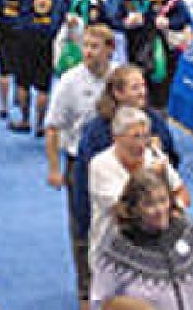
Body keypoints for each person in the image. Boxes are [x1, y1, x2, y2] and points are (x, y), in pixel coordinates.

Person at [74, 65, 181, 255]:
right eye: (135, 87)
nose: (142, 92)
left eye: (143, 86)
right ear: (117, 93)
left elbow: (172, 162)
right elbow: (86, 183)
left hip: (151, 225)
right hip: (110, 225)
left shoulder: (155, 122)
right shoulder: (97, 132)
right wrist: (84, 226)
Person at [44, 23, 116, 305]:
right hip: (80, 165)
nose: (87, 52)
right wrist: (54, 168)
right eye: (85, 46)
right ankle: (86, 289)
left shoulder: (119, 78)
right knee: (81, 228)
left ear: (109, 49)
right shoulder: (69, 81)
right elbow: (53, 127)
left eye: (94, 47)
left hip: (115, 165)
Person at [89, 169, 193, 310]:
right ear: (133, 209)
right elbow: (100, 303)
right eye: (149, 204)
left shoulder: (189, 234)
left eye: (163, 200)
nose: (160, 210)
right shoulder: (117, 251)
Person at [87, 108, 188, 262]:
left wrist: (172, 209)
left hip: (154, 251)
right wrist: (152, 176)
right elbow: (126, 211)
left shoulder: (154, 155)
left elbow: (182, 194)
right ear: (116, 138)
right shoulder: (101, 165)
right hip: (112, 254)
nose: (141, 143)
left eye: (145, 136)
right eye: (135, 136)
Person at [118, 0, 189, 111]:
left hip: (162, 53)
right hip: (135, 51)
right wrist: (126, 23)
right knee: (137, 91)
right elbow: (115, 19)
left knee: (159, 97)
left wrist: (168, 22)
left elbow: (184, 18)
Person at [12, 0, 65, 134]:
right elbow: (60, 14)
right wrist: (52, 31)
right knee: (43, 84)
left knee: (23, 82)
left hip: (25, 37)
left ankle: (25, 120)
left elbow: (10, 2)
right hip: (46, 38)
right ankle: (41, 124)